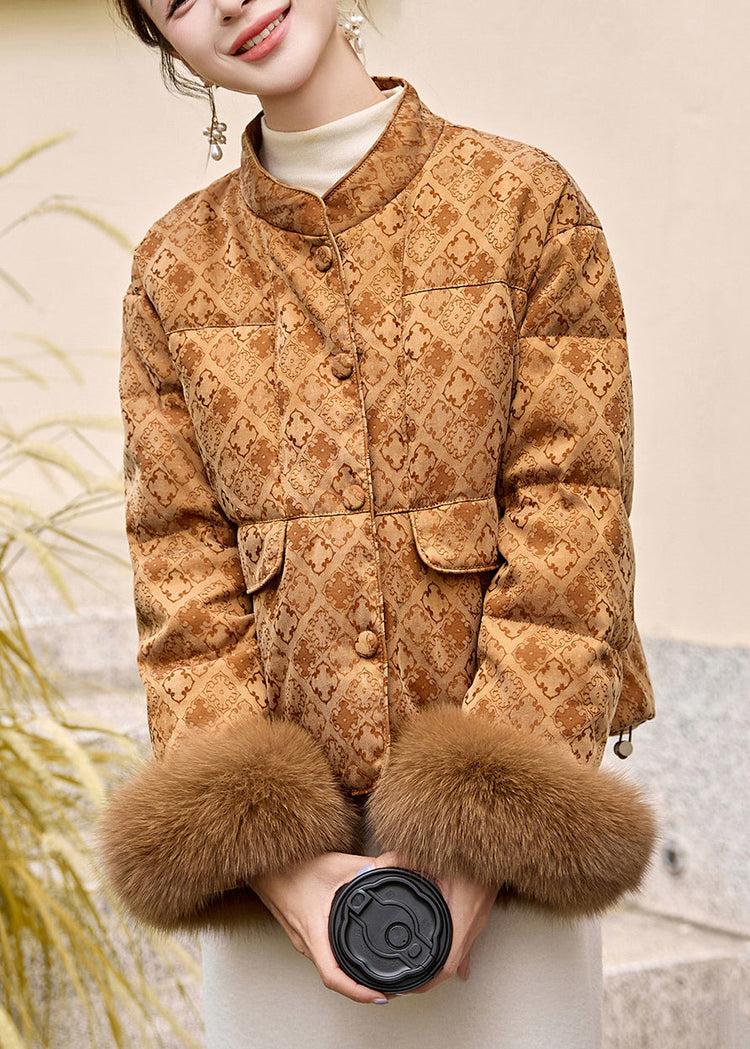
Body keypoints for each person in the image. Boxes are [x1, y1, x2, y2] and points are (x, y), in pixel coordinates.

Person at [99, 1, 657, 1045]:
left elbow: (572, 519)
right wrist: (276, 865)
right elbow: (178, 568)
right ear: (165, 42)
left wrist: (480, 836)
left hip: (510, 866)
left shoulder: (527, 204)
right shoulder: (170, 269)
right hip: (283, 892)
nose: (228, 3)